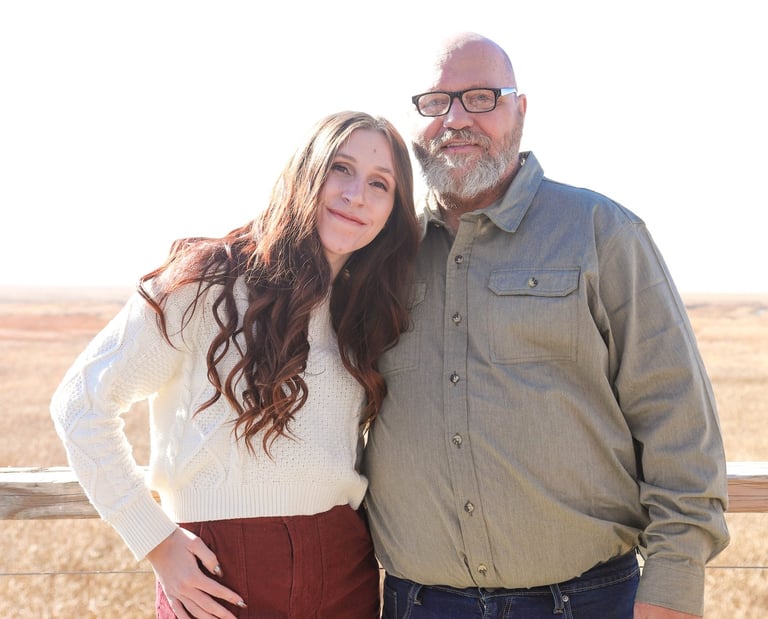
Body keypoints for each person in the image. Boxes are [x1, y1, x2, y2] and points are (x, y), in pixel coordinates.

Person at [362, 32, 730, 619]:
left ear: (521, 110)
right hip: (418, 603)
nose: (455, 119)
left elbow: (677, 421)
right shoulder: (380, 250)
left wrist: (672, 588)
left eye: (480, 98)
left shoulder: (602, 231)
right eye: (435, 103)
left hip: (587, 602)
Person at [50, 110, 420, 619]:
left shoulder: (365, 310)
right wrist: (154, 539)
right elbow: (80, 404)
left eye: (380, 183)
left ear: (393, 210)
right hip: (215, 576)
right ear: (305, 172)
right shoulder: (206, 284)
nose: (357, 195)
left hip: (343, 572)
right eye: (341, 168)